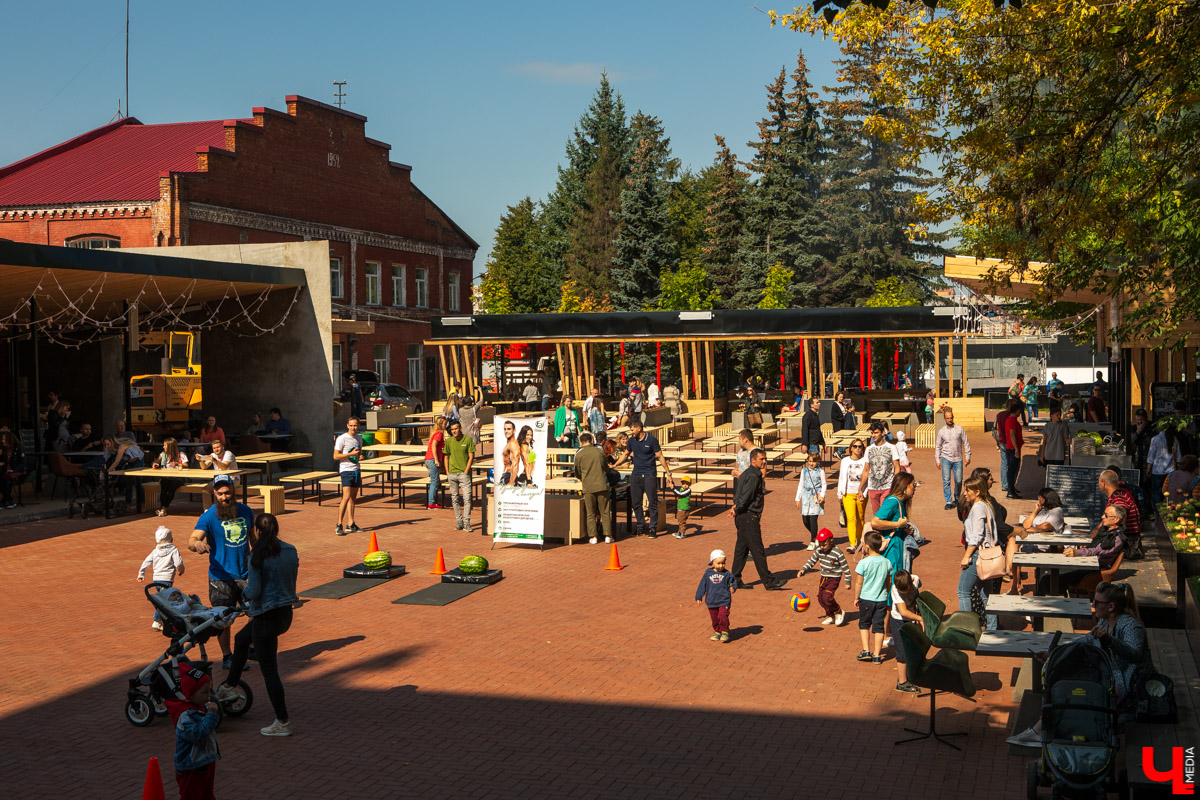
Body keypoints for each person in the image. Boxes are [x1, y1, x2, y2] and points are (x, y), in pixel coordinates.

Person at [1007, 581, 1152, 747]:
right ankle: (1042, 730)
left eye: (1097, 602)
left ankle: (1045, 732)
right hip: (1110, 678)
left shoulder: (1131, 626)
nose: (1093, 605)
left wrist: (1109, 640)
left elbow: (1134, 654)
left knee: (1079, 693)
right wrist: (1053, 653)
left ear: (1110, 606)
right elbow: (1084, 642)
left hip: (1130, 685)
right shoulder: (1104, 623)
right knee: (1070, 686)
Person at [213, 512, 299, 738]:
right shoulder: (290, 550)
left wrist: (243, 587)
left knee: (270, 670)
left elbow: (254, 591)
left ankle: (283, 721)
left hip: (265, 615)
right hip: (284, 614)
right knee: (241, 640)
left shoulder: (257, 556)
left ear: (258, 532)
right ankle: (231, 684)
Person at [188, 474, 254, 670]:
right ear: (215, 494)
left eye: (227, 492)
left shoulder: (246, 511)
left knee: (257, 612)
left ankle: (249, 647)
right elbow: (192, 539)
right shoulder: (208, 517)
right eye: (220, 493)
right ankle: (227, 656)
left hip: (245, 574)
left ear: (233, 491)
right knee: (223, 619)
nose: (224, 497)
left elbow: (255, 541)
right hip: (220, 577)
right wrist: (197, 544)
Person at [728, 448, 784, 590]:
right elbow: (746, 496)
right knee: (757, 550)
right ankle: (769, 581)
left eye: (765, 459)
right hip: (748, 517)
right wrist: (737, 509)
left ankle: (735, 579)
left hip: (742, 517)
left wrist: (736, 508)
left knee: (741, 549)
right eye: (761, 459)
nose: (764, 461)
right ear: (753, 460)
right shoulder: (753, 476)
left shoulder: (747, 473)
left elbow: (739, 493)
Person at [613, 418, 676, 538]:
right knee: (636, 502)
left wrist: (668, 473)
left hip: (649, 474)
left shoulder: (652, 440)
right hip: (636, 474)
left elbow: (660, 457)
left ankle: (652, 528)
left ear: (639, 428)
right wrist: (615, 464)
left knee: (652, 502)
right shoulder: (632, 441)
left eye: (632, 430)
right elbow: (626, 454)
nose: (631, 433)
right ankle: (640, 526)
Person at [167, 665, 221, 800]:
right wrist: (211, 716)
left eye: (209, 691)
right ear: (190, 694)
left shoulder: (199, 708)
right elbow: (198, 733)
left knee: (207, 795)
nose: (208, 696)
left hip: (205, 762)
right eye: (204, 692)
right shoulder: (185, 716)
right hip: (191, 768)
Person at [1050, 505, 1128, 595]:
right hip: (1089, 564)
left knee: (1050, 579)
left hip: (1095, 571)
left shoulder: (1116, 539)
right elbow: (1094, 545)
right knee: (1054, 575)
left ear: (1116, 519)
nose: (1102, 517)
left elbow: (1096, 551)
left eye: (1106, 515)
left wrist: (1077, 552)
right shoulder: (1106, 531)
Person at [957, 476, 999, 631]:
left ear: (977, 491)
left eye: (968, 490)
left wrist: (966, 556)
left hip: (978, 555)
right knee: (986, 593)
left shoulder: (978, 508)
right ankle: (992, 628)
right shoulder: (987, 505)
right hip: (987, 555)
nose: (965, 493)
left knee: (962, 591)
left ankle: (967, 630)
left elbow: (977, 536)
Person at [1010, 488, 1067, 592]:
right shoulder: (1042, 511)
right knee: (1012, 542)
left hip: (1045, 545)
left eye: (1040, 497)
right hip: (1031, 543)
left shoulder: (1057, 511)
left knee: (1015, 551)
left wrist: (1031, 530)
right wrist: (1036, 510)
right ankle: (1015, 583)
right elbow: (1025, 524)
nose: (1038, 499)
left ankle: (1012, 576)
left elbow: (1046, 526)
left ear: (1046, 498)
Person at [853, 530, 892, 664]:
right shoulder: (886, 562)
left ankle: (866, 650)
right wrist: (886, 592)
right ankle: (877, 655)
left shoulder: (864, 563)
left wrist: (856, 597)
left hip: (866, 598)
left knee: (864, 624)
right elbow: (889, 581)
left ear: (867, 547)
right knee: (879, 626)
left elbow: (859, 582)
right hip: (881, 599)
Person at [798, 528, 850, 626]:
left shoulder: (838, 552)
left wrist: (848, 582)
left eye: (824, 544)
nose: (822, 547)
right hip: (824, 578)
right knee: (821, 599)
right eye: (820, 544)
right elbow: (811, 561)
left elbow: (845, 568)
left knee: (827, 596)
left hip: (834, 578)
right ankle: (831, 616)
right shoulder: (819, 551)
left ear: (831, 540)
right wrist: (804, 569)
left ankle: (838, 611)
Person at [137, 524, 185, 630]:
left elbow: (146, 562)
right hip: (167, 580)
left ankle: (162, 620)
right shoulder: (173, 550)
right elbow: (179, 562)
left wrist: (141, 574)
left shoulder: (155, 551)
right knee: (163, 602)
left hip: (156, 580)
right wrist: (181, 570)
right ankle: (157, 620)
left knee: (163, 599)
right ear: (170, 539)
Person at [574, 431, 613, 545]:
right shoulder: (600, 452)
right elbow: (606, 468)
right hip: (602, 485)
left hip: (588, 486)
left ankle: (593, 536)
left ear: (581, 442)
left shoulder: (579, 455)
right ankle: (608, 535)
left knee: (590, 513)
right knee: (605, 511)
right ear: (592, 441)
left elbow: (577, 472)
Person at [891, 569, 924, 693]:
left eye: (908, 591)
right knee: (902, 651)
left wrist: (917, 606)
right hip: (899, 621)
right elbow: (903, 612)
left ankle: (911, 675)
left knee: (912, 648)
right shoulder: (895, 589)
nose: (905, 594)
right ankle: (902, 682)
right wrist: (920, 618)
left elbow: (919, 591)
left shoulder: (916, 579)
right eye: (902, 592)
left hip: (912, 619)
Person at [695, 549, 737, 643]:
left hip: (724, 600)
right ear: (712, 563)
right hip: (711, 601)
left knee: (723, 616)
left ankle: (725, 631)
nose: (721, 566)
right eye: (718, 563)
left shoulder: (727, 574)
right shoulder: (707, 574)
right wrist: (699, 596)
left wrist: (733, 588)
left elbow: (733, 582)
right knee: (714, 618)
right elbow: (702, 585)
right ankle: (717, 631)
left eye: (723, 563)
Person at [934, 407, 971, 509]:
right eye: (947, 418)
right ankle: (949, 501)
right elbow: (938, 446)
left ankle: (957, 498)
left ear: (953, 418)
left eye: (951, 418)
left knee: (958, 480)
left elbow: (966, 443)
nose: (950, 420)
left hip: (958, 459)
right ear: (944, 419)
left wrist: (968, 456)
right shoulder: (941, 432)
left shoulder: (959, 429)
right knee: (946, 481)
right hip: (946, 458)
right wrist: (938, 460)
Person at [1098, 468, 1141, 555]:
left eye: (1099, 481)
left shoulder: (1118, 498)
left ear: (1104, 483)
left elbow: (1121, 517)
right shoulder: (1119, 494)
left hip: (1126, 544)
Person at [332, 417, 363, 536]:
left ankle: (351, 524)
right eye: (351, 425)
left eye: (355, 425)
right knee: (345, 497)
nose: (353, 428)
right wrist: (350, 454)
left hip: (356, 470)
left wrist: (360, 456)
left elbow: (358, 453)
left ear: (358, 426)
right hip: (346, 471)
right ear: (347, 425)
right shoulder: (342, 439)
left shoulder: (359, 438)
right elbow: (335, 456)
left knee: (353, 498)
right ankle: (339, 524)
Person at [837, 438, 869, 553]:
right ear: (851, 448)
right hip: (848, 493)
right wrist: (840, 492)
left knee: (860, 518)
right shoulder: (845, 461)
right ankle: (852, 543)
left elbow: (868, 478)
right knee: (851, 518)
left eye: (860, 446)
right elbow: (841, 477)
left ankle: (860, 540)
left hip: (861, 493)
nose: (857, 448)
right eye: (855, 446)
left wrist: (864, 492)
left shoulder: (865, 460)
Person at [444, 419, 475, 531]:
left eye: (456, 429)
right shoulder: (449, 441)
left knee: (467, 498)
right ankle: (459, 521)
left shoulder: (467, 440)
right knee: (455, 498)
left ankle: (467, 522)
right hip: (452, 474)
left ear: (460, 428)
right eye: (452, 429)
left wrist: (466, 470)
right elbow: (446, 456)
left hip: (463, 474)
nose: (454, 431)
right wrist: (447, 472)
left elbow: (471, 456)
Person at [864, 422, 899, 513]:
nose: (873, 435)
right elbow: (866, 469)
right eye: (872, 433)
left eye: (876, 433)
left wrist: (896, 484)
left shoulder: (892, 448)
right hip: (873, 487)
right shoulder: (868, 449)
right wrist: (860, 488)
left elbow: (897, 467)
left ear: (883, 433)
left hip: (888, 486)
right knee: (876, 515)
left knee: (885, 513)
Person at [794, 451, 826, 549]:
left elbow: (824, 484)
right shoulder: (804, 471)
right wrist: (797, 498)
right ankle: (816, 535)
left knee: (813, 518)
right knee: (805, 519)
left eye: (814, 461)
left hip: (815, 495)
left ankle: (812, 541)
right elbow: (801, 484)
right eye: (810, 461)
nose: (811, 463)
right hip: (805, 495)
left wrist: (822, 495)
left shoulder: (820, 471)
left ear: (818, 461)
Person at [1147, 424, 1182, 508]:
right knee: (1169, 493)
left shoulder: (1155, 439)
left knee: (1156, 493)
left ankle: (1157, 512)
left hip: (1157, 471)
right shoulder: (1174, 439)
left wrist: (1148, 468)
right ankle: (1168, 510)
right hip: (1170, 471)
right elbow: (1178, 458)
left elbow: (1151, 455)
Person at [153, 437, 189, 517]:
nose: (163, 447)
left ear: (170, 446)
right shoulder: (163, 455)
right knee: (164, 486)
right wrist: (155, 464)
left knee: (171, 488)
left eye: (165, 445)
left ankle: (163, 509)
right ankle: (163, 509)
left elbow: (186, 465)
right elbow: (156, 461)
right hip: (167, 477)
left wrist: (177, 464)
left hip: (179, 477)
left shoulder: (180, 454)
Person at [1001, 398, 1024, 498]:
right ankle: (1010, 490)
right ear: (1017, 411)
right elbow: (1012, 434)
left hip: (1012, 447)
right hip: (1012, 448)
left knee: (1013, 469)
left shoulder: (1011, 420)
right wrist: (1016, 449)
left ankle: (1011, 488)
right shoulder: (1012, 420)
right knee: (1012, 469)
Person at [0, 430, 28, 509]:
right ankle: (11, 501)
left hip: (18, 473)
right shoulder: (4, 450)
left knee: (8, 482)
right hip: (6, 472)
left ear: (10, 440)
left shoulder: (18, 449)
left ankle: (2, 502)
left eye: (4, 439)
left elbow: (23, 464)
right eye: (2, 439)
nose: (2, 441)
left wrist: (14, 470)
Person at [424, 417, 446, 510]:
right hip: (432, 459)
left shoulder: (435, 433)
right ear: (441, 424)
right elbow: (434, 446)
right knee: (434, 481)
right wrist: (436, 459)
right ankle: (431, 503)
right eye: (445, 424)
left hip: (429, 459)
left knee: (435, 481)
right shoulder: (439, 434)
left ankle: (434, 501)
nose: (446, 426)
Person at [993, 401, 1014, 494]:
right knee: (1012, 464)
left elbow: (994, 428)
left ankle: (1004, 484)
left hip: (1001, 441)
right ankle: (1010, 484)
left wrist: (997, 440)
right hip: (1010, 442)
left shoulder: (999, 415)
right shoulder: (1011, 415)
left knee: (1004, 463)